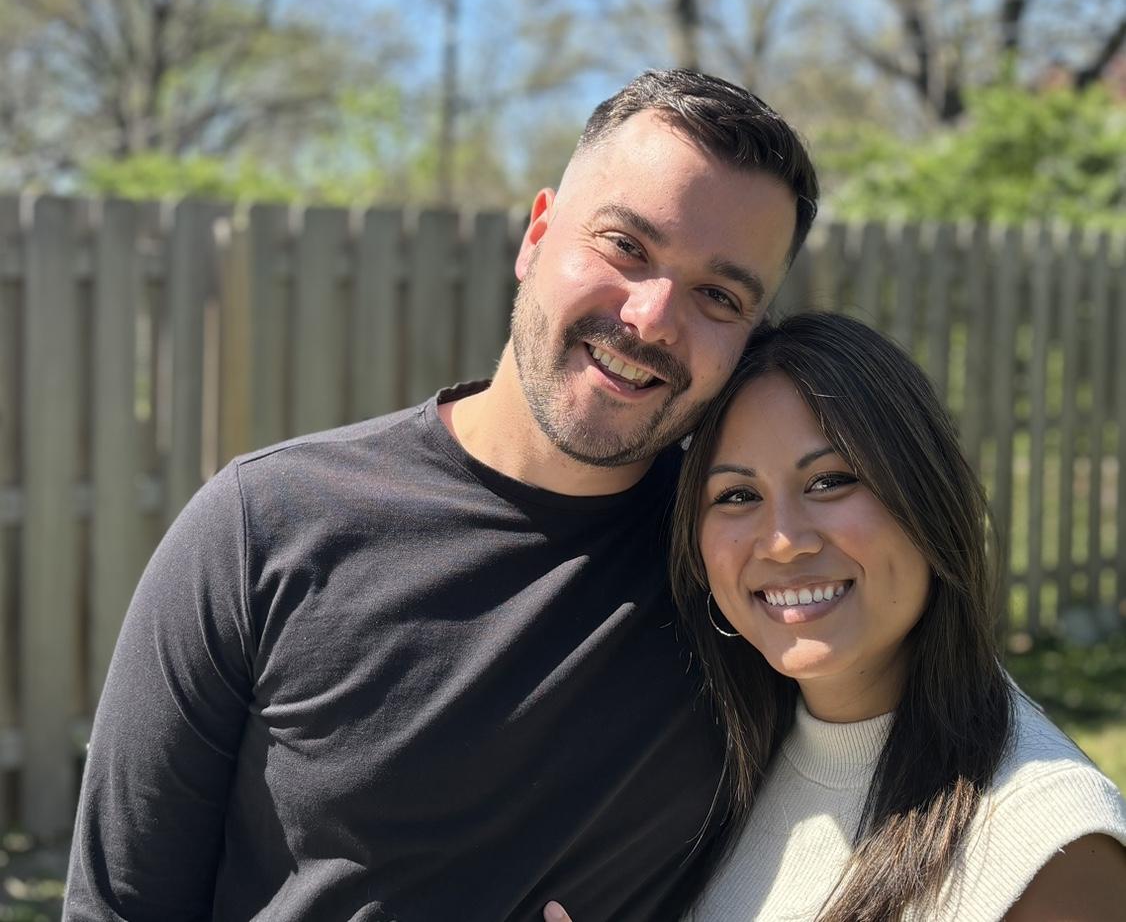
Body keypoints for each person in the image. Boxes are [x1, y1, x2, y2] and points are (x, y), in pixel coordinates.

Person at [64, 69, 820, 921]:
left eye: (718, 295)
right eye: (625, 247)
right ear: (538, 235)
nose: (651, 317)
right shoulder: (263, 527)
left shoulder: (744, 570)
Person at [545, 311, 1126, 922]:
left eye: (830, 482)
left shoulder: (1050, 848)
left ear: (927, 497)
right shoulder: (711, 765)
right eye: (738, 495)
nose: (783, 542)